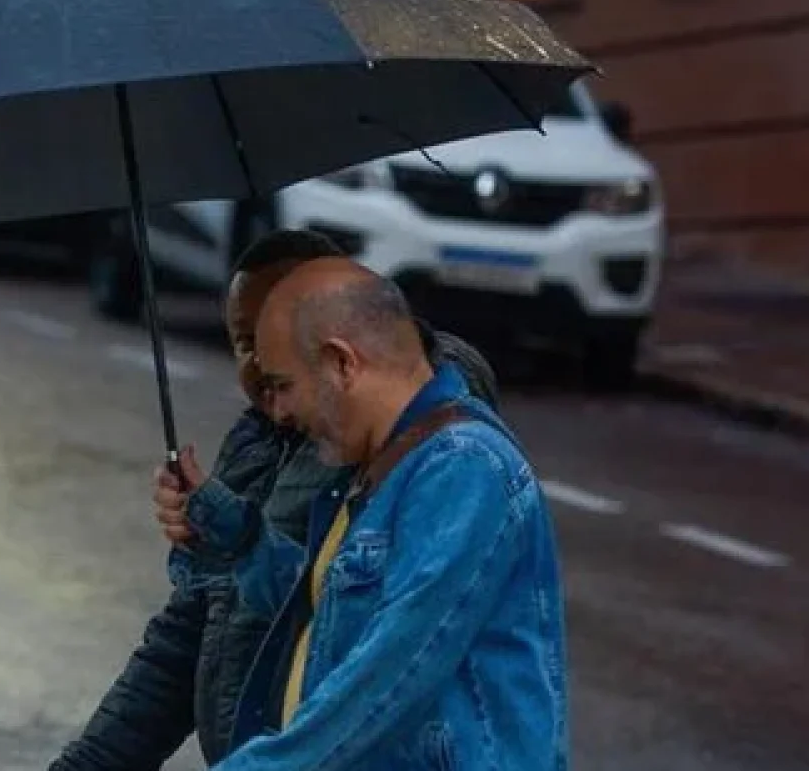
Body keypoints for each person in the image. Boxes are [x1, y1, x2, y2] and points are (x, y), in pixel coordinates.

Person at [49, 230, 501, 770]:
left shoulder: (427, 452)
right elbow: (186, 640)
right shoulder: (260, 442)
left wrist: (239, 538)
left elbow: (365, 645)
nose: (262, 366)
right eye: (245, 343)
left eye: (280, 338)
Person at [168, 257, 567, 770]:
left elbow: (388, 673)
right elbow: (330, 615)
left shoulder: (464, 469)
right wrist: (233, 532)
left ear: (341, 363)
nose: (279, 411)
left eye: (284, 386)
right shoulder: (382, 465)